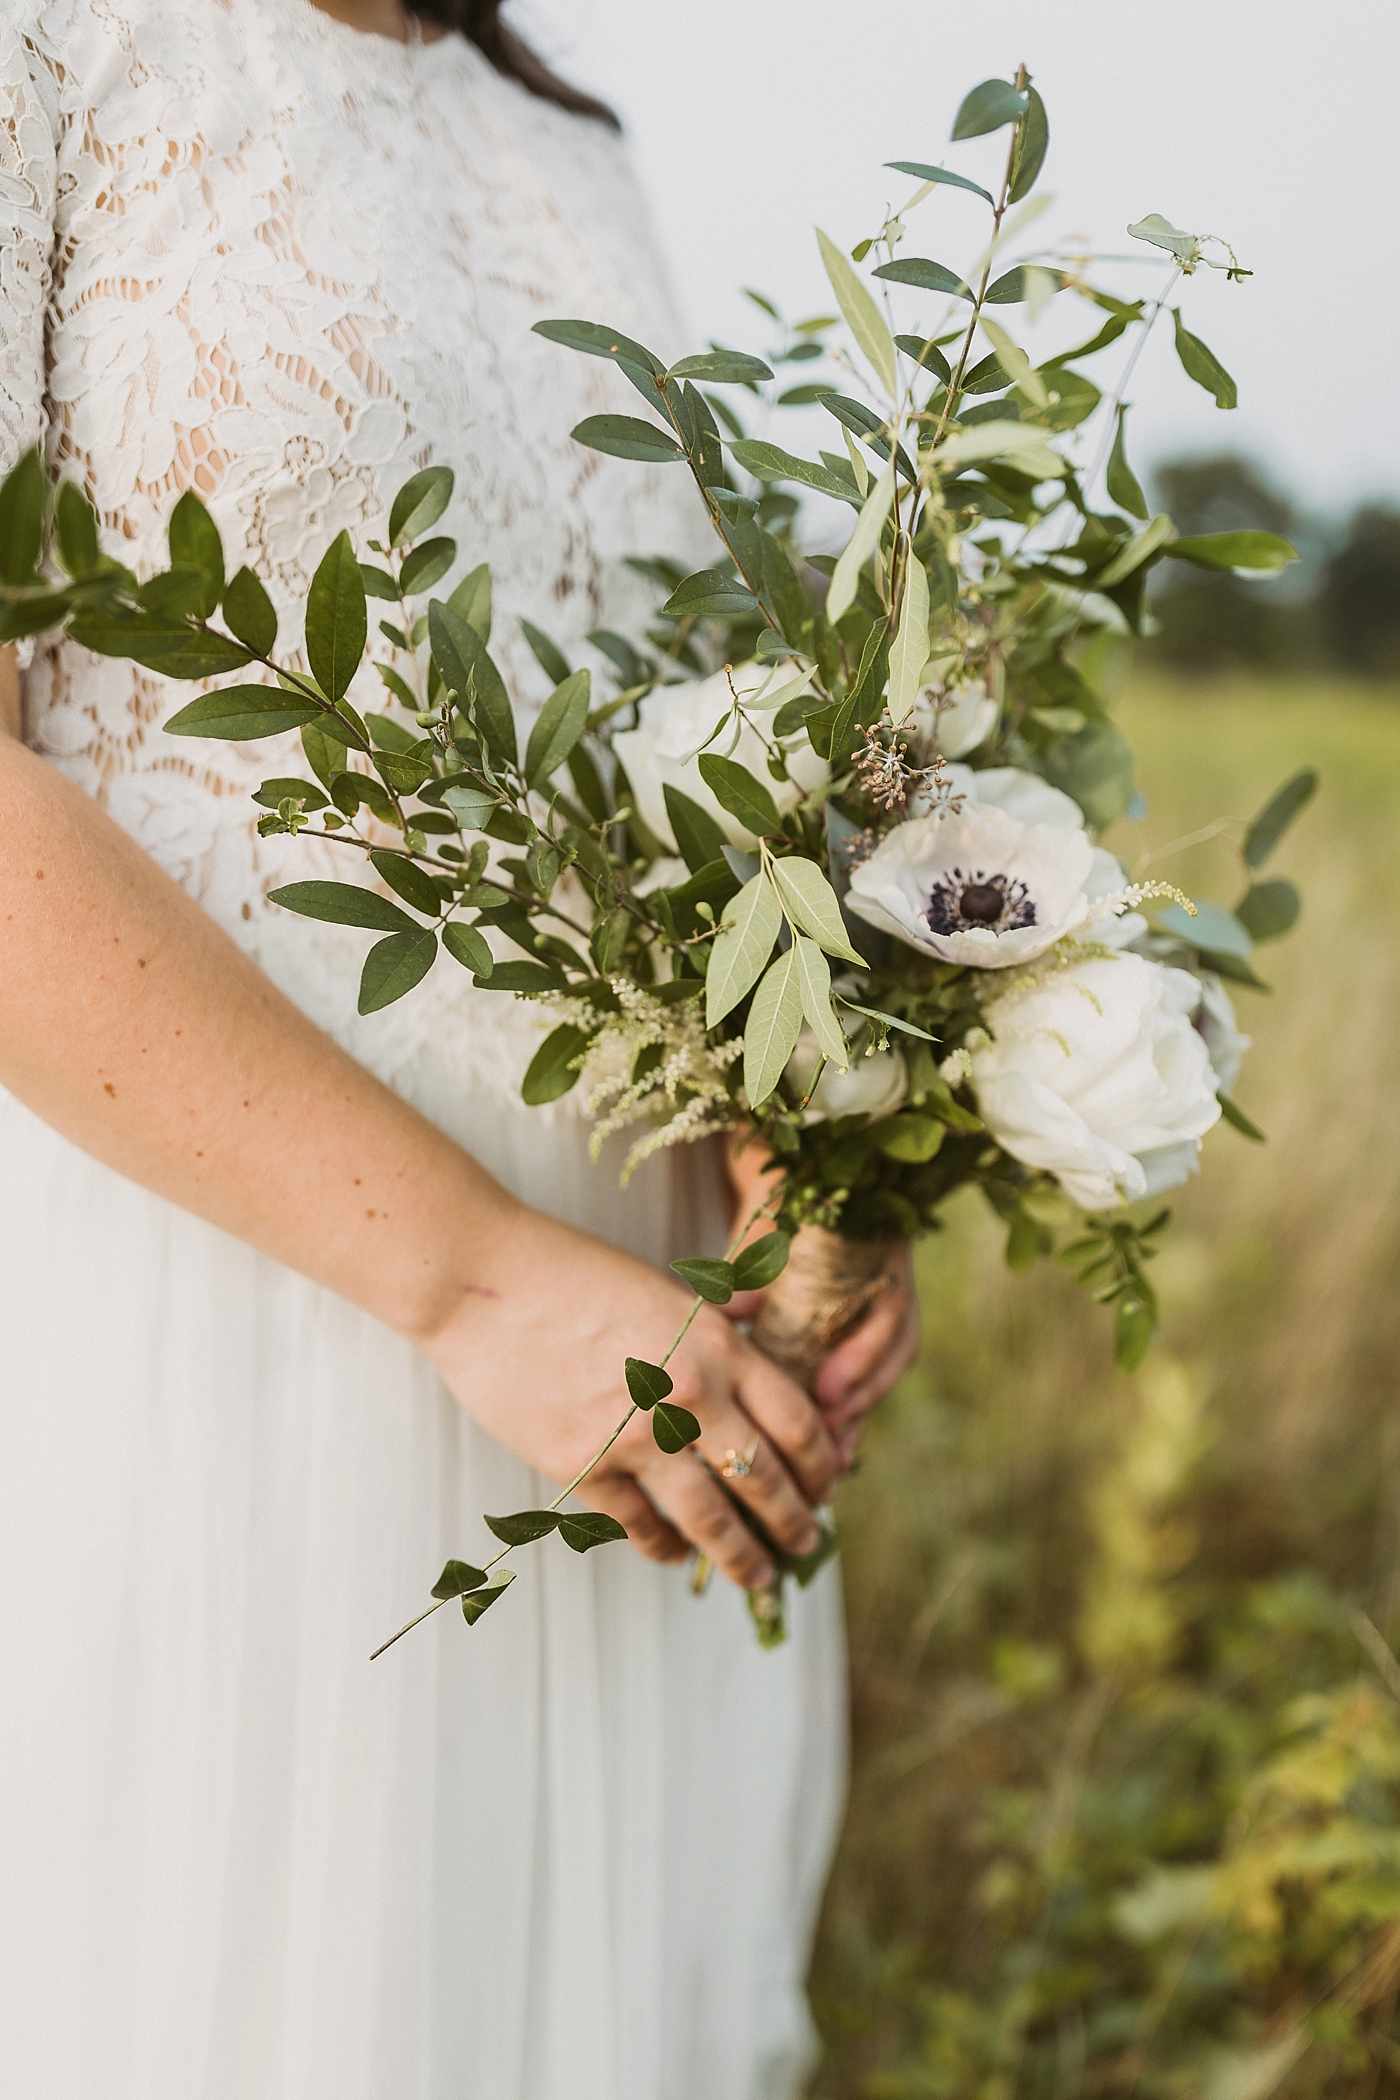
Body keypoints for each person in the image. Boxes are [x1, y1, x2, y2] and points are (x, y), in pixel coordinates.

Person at [0, 2, 919, 2093]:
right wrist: (481, 1279)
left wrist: (806, 1147)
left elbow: (680, 724)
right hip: (240, 1325)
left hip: (650, 1367)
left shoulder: (565, 136)